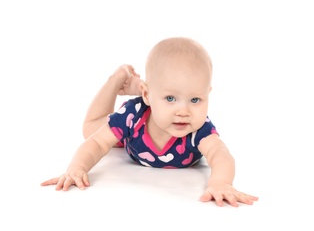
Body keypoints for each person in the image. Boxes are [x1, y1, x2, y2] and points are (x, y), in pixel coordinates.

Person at [41, 37, 258, 207]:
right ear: (147, 96)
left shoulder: (200, 129)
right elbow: (96, 144)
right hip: (131, 133)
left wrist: (220, 182)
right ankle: (118, 79)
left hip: (147, 98)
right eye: (170, 99)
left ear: (207, 95)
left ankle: (150, 89)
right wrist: (77, 168)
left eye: (195, 99)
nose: (183, 111)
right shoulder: (132, 116)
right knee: (90, 129)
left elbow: (221, 155)